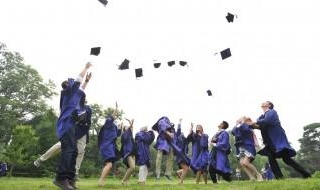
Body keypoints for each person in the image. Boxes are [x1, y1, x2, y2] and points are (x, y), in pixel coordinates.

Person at [53, 62, 92, 190]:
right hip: (65, 125)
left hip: (71, 125)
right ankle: (60, 178)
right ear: (68, 86)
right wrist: (85, 68)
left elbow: (81, 90)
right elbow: (78, 81)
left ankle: (69, 179)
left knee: (74, 151)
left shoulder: (72, 95)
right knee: (69, 150)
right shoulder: (67, 92)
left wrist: (86, 81)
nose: (76, 85)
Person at [34, 98, 92, 181]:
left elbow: (85, 120)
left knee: (80, 151)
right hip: (73, 130)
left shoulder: (88, 108)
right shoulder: (71, 107)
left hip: (83, 132)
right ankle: (41, 159)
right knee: (60, 146)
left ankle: (75, 173)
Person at [251, 101, 311, 179]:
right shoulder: (262, 116)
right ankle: (279, 177)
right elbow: (261, 126)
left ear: (269, 105)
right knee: (272, 159)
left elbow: (267, 121)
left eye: (264, 102)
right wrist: (252, 125)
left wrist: (254, 122)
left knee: (286, 160)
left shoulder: (272, 112)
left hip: (277, 142)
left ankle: (305, 174)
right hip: (270, 142)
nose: (262, 103)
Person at [231, 116, 263, 181]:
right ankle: (251, 177)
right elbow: (233, 132)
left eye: (248, 120)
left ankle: (258, 175)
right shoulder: (239, 127)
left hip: (248, 146)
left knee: (245, 162)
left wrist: (242, 122)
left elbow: (245, 129)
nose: (247, 121)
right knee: (242, 163)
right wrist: (237, 124)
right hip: (241, 147)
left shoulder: (248, 127)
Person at [97, 103, 122, 187]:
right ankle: (101, 181)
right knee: (109, 164)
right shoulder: (108, 123)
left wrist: (120, 128)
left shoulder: (113, 126)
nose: (115, 117)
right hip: (106, 146)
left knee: (109, 165)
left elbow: (117, 135)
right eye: (114, 116)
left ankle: (101, 180)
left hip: (110, 147)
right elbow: (111, 118)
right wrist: (116, 109)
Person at [174, 119, 190, 184]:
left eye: (183, 134)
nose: (182, 134)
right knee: (186, 168)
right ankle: (181, 182)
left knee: (187, 169)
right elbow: (178, 130)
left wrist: (191, 127)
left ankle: (179, 172)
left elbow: (189, 136)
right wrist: (179, 122)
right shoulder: (178, 137)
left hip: (184, 156)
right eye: (181, 133)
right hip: (180, 156)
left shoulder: (185, 141)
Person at [120, 118, 135, 185]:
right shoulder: (124, 134)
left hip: (132, 152)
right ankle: (123, 180)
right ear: (124, 129)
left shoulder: (129, 134)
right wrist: (130, 122)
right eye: (126, 127)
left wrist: (131, 123)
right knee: (132, 167)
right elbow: (130, 127)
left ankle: (126, 182)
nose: (128, 127)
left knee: (130, 168)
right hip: (127, 152)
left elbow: (131, 128)